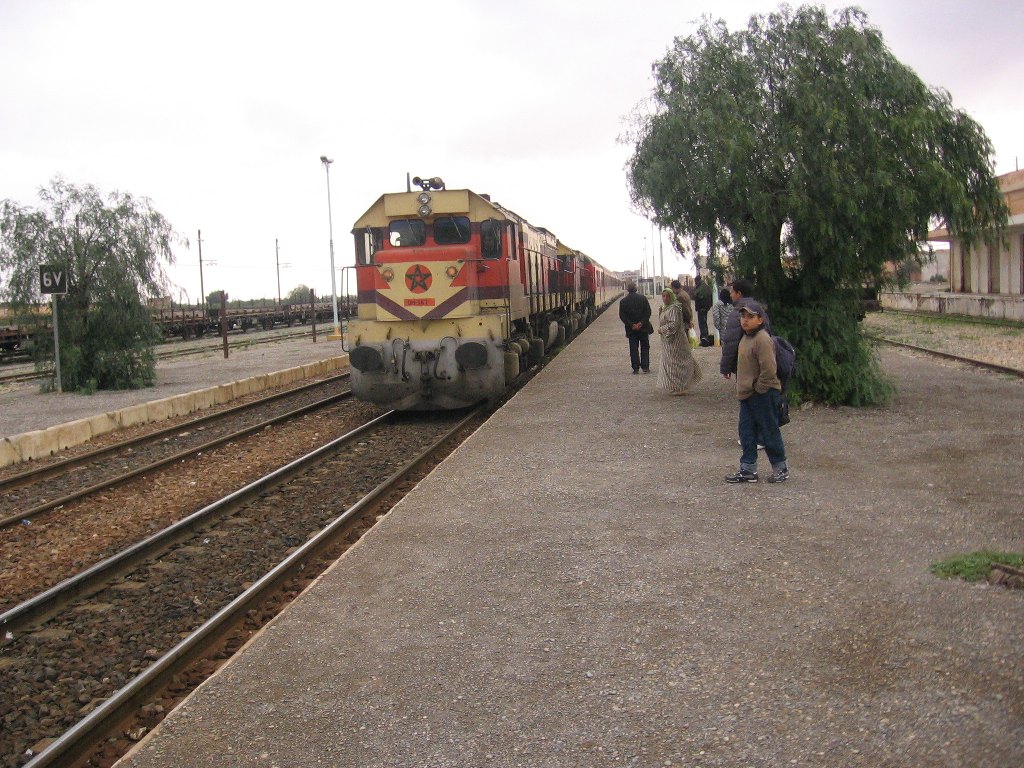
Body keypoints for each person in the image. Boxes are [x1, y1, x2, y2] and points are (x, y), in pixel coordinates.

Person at [725, 301, 789, 484]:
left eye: (750, 317)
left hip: (764, 394)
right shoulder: (745, 338)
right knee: (746, 432)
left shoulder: (762, 339)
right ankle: (748, 469)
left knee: (769, 432)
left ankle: (781, 468)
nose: (745, 320)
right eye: (743, 317)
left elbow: (769, 369)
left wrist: (759, 389)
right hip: (747, 395)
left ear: (760, 320)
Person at [719, 278, 771, 378]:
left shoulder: (738, 313)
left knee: (746, 390)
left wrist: (726, 367)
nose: (730, 295)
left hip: (744, 362)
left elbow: (731, 343)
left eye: (732, 292)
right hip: (761, 358)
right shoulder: (760, 309)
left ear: (739, 293)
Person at [656, 287, 702, 395]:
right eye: (663, 296)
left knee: (678, 363)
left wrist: (662, 329)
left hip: (677, 341)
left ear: (672, 296)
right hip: (669, 342)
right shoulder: (664, 308)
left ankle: (681, 387)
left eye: (667, 296)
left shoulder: (674, 308)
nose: (665, 298)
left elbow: (674, 324)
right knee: (671, 364)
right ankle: (675, 385)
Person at [618, 281, 653, 374]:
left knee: (633, 348)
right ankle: (645, 367)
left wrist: (632, 325)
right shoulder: (643, 298)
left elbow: (622, 315)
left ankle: (635, 368)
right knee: (645, 347)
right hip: (643, 328)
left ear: (627, 289)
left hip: (631, 329)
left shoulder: (623, 301)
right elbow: (648, 312)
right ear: (636, 288)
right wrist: (641, 323)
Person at [693, 275, 714, 346]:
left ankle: (704, 339)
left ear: (697, 281)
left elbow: (695, 294)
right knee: (704, 323)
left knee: (702, 324)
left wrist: (695, 290)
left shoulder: (701, 287)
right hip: (705, 308)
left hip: (701, 308)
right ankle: (705, 338)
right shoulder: (706, 286)